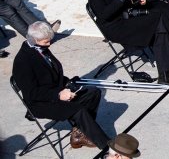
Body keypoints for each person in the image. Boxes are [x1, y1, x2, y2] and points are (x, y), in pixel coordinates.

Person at [12, 21, 112, 150]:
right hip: (41, 102)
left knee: (93, 93)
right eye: (45, 42)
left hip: (56, 91)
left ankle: (80, 133)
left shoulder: (41, 48)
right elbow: (31, 93)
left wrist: (68, 84)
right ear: (33, 39)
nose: (49, 44)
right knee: (78, 110)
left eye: (49, 40)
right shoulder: (22, 61)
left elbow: (52, 73)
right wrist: (58, 95)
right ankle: (108, 148)